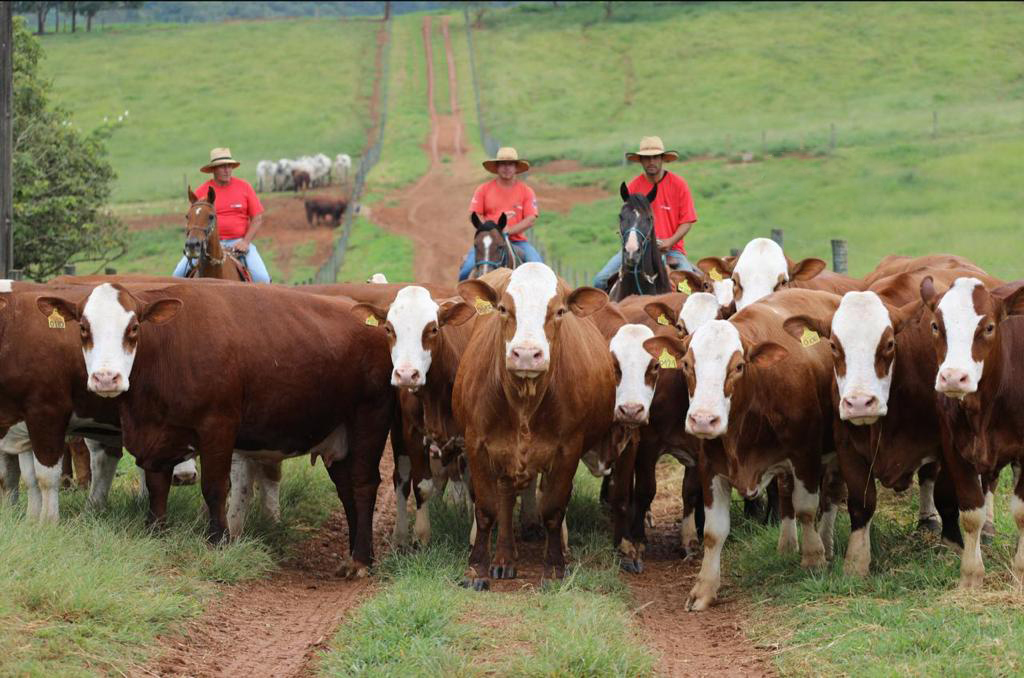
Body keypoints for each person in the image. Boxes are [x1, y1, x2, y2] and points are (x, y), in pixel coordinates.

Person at [593, 136, 698, 290]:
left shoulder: (678, 185)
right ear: (640, 161)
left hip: (672, 251)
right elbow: (628, 220)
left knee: (689, 287)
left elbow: (687, 221)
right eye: (646, 158)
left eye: (655, 157)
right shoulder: (633, 187)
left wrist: (670, 241)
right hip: (637, 250)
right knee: (600, 280)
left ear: (662, 159)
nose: (651, 162)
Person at [172, 147, 271, 282]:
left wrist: (246, 242)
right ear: (213, 169)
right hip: (207, 244)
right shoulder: (202, 191)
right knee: (177, 276)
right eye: (222, 167)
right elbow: (192, 221)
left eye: (229, 166)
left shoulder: (244, 187)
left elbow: (257, 218)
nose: (227, 170)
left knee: (262, 278)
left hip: (238, 243)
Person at [458, 147, 543, 281]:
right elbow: (474, 214)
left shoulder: (526, 191)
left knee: (538, 266)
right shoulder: (483, 189)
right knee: (466, 270)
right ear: (497, 167)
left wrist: (508, 231)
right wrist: (491, 230)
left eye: (510, 164)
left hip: (518, 241)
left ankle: (541, 301)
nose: (506, 168)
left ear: (516, 168)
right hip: (489, 242)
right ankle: (465, 299)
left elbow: (530, 218)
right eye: (502, 164)